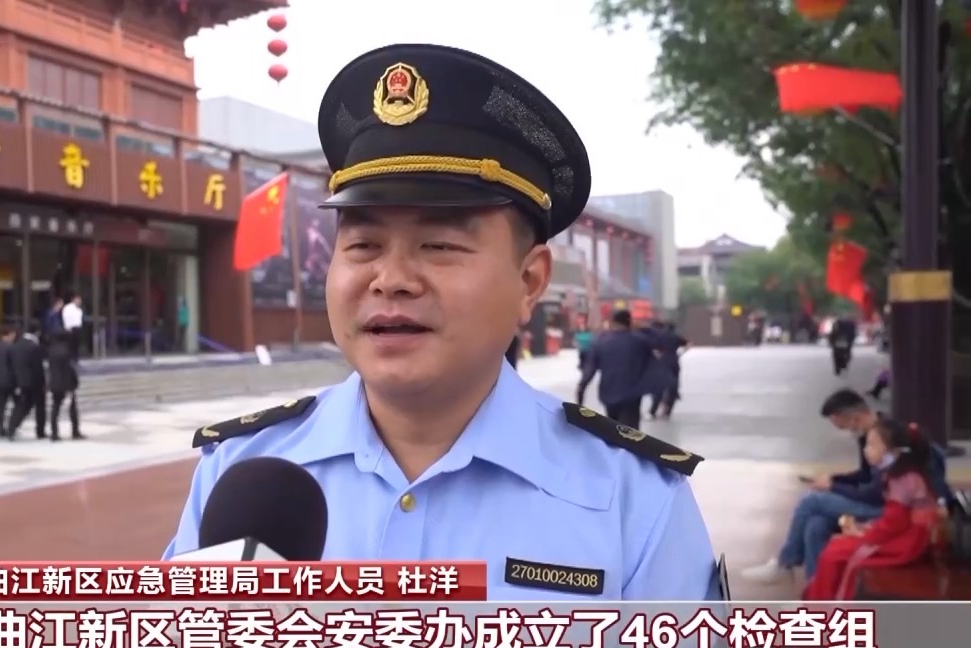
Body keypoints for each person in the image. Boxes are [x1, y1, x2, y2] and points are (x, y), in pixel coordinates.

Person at [162, 44, 718, 599]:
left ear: (529, 281)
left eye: (439, 245)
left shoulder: (635, 501)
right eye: (363, 245)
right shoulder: (239, 475)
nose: (391, 279)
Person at [741, 389, 885, 582]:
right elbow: (865, 476)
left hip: (883, 509)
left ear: (855, 418)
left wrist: (833, 488)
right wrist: (834, 480)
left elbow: (874, 493)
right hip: (873, 501)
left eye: (845, 427)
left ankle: (785, 564)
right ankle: (815, 591)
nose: (848, 433)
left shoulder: (884, 439)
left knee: (811, 500)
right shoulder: (868, 434)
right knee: (815, 525)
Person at [803, 419, 942, 600]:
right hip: (904, 535)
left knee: (833, 553)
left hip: (905, 543)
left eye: (872, 445)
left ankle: (821, 607)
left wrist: (863, 533)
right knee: (834, 547)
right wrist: (865, 528)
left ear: (892, 451)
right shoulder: (902, 474)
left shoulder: (902, 479)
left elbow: (894, 523)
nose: (865, 450)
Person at [577, 309, 656, 428]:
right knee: (630, 431)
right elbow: (651, 363)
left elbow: (590, 369)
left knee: (613, 429)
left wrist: (581, 387)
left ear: (612, 321)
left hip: (608, 392)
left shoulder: (601, 341)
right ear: (629, 321)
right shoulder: (640, 341)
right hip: (632, 394)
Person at [6, 323, 47, 440]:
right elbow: (38, 367)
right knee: (40, 406)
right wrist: (42, 382)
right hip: (34, 382)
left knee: (21, 405)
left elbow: (11, 365)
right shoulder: (34, 347)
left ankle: (12, 427)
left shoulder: (15, 347)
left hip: (20, 381)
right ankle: (40, 431)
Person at [46, 330, 84, 441]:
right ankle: (75, 431)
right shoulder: (66, 352)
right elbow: (68, 370)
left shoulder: (51, 351)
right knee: (72, 409)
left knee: (55, 408)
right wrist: (72, 384)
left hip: (54, 383)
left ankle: (54, 433)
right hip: (66, 384)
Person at [649, 321, 689, 419]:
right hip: (674, 362)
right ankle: (668, 410)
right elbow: (688, 343)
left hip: (661, 363)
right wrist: (681, 352)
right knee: (673, 387)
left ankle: (654, 409)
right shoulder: (676, 337)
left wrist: (657, 355)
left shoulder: (660, 336)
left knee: (659, 386)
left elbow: (653, 347)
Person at [62, 292, 84, 360]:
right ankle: (70, 359)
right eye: (78, 300)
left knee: (76, 345)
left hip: (77, 329)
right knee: (70, 345)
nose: (79, 301)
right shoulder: (68, 308)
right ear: (74, 300)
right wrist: (67, 327)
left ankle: (76, 359)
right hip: (70, 329)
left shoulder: (79, 310)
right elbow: (65, 317)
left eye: (80, 300)